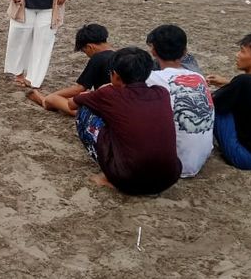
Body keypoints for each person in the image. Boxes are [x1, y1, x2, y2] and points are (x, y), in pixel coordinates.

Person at [71, 47, 181, 194]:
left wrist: (101, 90)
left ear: (115, 76)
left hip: (126, 179)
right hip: (169, 178)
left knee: (84, 111)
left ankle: (107, 177)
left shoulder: (109, 93)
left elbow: (72, 103)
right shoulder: (161, 92)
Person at [146, 24, 214, 177]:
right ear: (184, 52)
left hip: (174, 164)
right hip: (201, 157)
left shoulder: (151, 79)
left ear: (153, 51)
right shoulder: (199, 78)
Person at [27, 24, 114, 116]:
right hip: (121, 101)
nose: (87, 55)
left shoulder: (98, 59)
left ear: (90, 47)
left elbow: (79, 89)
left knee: (55, 99)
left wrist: (53, 95)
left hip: (105, 107)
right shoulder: (122, 55)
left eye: (85, 52)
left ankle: (44, 100)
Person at [206, 34, 251, 170]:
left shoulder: (243, 81)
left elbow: (211, 102)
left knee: (215, 107)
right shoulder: (243, 83)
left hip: (246, 158)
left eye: (242, 51)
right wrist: (229, 84)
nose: (237, 55)